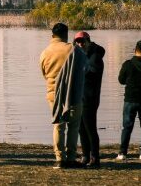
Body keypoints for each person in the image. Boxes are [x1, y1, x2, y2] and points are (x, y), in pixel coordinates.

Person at [40, 22, 87, 169]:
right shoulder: (74, 50)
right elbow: (84, 70)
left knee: (58, 126)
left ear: (52, 35)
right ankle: (71, 158)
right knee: (73, 126)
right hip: (73, 94)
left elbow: (44, 73)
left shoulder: (45, 52)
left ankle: (60, 158)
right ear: (66, 35)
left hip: (53, 94)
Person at [74, 31, 105, 167]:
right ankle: (85, 156)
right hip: (80, 97)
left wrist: (79, 70)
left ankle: (95, 158)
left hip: (90, 98)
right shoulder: (82, 55)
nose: (80, 44)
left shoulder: (95, 56)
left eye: (83, 41)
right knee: (81, 128)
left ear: (88, 41)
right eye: (78, 42)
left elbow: (94, 72)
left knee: (90, 128)